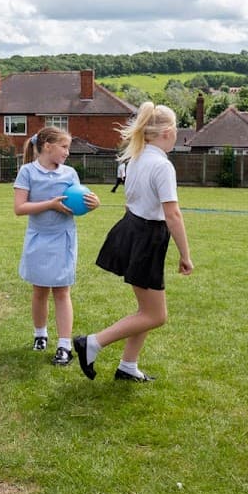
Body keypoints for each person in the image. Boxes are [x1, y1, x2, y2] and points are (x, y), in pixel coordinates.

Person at [74, 102, 193, 384]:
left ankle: (128, 366)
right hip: (147, 236)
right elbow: (172, 214)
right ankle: (92, 343)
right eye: (176, 129)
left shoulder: (136, 158)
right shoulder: (162, 165)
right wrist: (185, 254)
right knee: (156, 315)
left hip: (133, 230)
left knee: (147, 311)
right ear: (166, 132)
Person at [14, 127, 98, 366]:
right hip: (38, 238)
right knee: (40, 290)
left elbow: (79, 202)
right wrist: (50, 204)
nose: (67, 153)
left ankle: (64, 346)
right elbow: (19, 208)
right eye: (64, 147)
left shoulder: (70, 173)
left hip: (63, 238)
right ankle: (40, 335)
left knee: (62, 291)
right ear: (47, 146)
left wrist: (94, 203)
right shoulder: (27, 172)